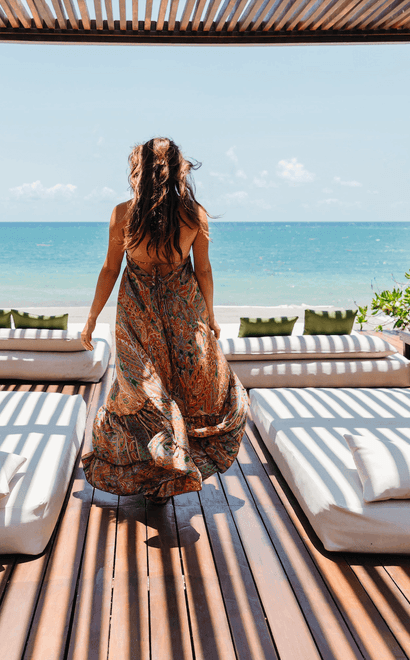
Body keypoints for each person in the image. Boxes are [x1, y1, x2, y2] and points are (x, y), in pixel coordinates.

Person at [80, 137, 249, 505]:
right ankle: (169, 465)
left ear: (137, 170)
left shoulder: (122, 213)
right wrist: (212, 315)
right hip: (182, 310)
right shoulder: (194, 215)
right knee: (173, 391)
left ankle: (163, 467)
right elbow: (202, 270)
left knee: (143, 392)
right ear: (178, 170)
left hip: (137, 312)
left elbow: (111, 269)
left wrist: (91, 318)